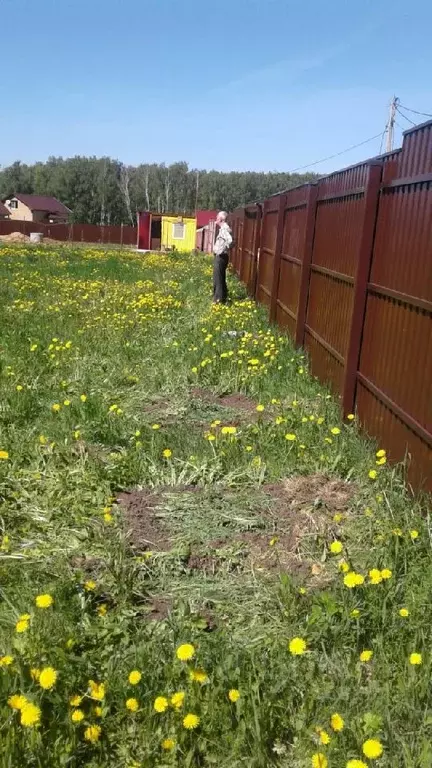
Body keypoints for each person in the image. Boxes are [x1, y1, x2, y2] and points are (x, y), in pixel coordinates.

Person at [212, 211, 233, 303]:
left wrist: (222, 249)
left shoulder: (224, 229)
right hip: (221, 256)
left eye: (217, 217)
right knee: (220, 278)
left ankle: (218, 300)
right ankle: (222, 297)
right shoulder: (223, 229)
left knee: (218, 279)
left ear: (220, 219)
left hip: (221, 256)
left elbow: (231, 241)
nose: (216, 219)